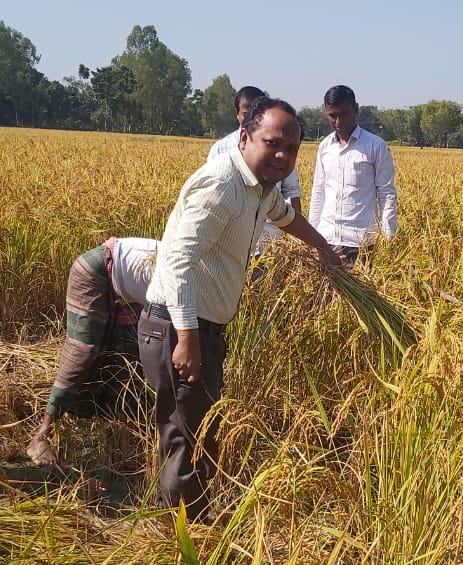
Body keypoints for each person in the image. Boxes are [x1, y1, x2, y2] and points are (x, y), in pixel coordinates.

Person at [141, 97, 342, 519]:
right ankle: (175, 537)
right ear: (245, 137)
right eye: (273, 143)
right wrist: (188, 340)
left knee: (201, 434)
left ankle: (189, 524)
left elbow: (286, 216)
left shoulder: (260, 188)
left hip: (203, 328)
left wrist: (324, 249)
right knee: (186, 440)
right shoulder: (222, 184)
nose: (283, 156)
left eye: (292, 149)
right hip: (179, 327)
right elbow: (177, 261)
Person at [26, 236, 158, 466]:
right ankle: (41, 435)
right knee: (83, 350)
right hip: (97, 270)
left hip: (128, 288)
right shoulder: (187, 275)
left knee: (129, 353)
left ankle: (117, 427)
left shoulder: (205, 282)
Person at [307, 85, 398, 268]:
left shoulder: (375, 146)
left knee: (361, 287)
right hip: (327, 239)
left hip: (361, 242)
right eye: (332, 115)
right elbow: (319, 191)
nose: (338, 121)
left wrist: (388, 236)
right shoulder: (325, 147)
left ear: (355, 109)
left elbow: (386, 193)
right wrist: (311, 235)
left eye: (344, 114)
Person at [208, 86, 302, 257]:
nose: (251, 119)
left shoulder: (271, 187)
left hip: (270, 244)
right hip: (229, 248)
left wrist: (299, 241)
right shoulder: (221, 154)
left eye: (258, 114)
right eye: (247, 113)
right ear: (237, 113)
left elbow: (288, 202)